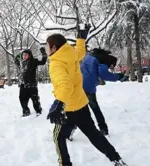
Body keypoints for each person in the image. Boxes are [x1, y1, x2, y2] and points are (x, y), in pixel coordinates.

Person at [45, 24, 128, 166]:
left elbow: (65, 85)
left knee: (58, 137)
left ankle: (65, 164)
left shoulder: (56, 63)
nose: (46, 49)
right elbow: (80, 52)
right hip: (81, 104)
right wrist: (81, 38)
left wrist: (59, 104)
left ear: (54, 48)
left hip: (68, 107)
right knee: (94, 134)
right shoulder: (70, 54)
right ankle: (116, 159)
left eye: (47, 46)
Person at [79, 49, 127, 136]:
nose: (110, 68)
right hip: (88, 86)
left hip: (78, 83)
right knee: (94, 108)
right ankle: (103, 129)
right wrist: (118, 77)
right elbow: (104, 75)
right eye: (111, 67)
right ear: (111, 63)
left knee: (78, 109)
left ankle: (69, 129)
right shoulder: (105, 60)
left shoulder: (93, 56)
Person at [14, 48, 47, 117]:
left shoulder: (33, 61)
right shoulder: (22, 63)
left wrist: (43, 53)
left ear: (29, 55)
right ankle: (26, 112)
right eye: (23, 55)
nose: (24, 56)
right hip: (23, 85)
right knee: (22, 98)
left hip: (32, 85)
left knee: (35, 99)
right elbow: (16, 60)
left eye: (26, 55)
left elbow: (43, 62)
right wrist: (18, 55)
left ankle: (38, 111)